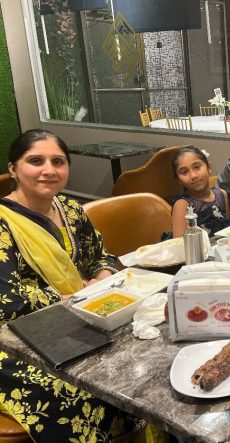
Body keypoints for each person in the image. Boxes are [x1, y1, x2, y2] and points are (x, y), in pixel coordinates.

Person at [0, 130, 147, 441]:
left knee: (137, 365)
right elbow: (8, 301)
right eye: (35, 161)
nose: (49, 170)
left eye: (58, 161)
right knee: (81, 391)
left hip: (81, 316)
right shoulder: (3, 222)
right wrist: (72, 296)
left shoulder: (70, 209)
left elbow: (101, 255)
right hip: (14, 339)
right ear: (13, 168)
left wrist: (103, 277)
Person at [170, 146, 230, 237]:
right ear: (179, 180)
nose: (193, 175)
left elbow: (228, 232)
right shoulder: (182, 205)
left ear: (209, 168)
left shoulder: (222, 195)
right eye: (184, 172)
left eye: (197, 167)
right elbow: (180, 245)